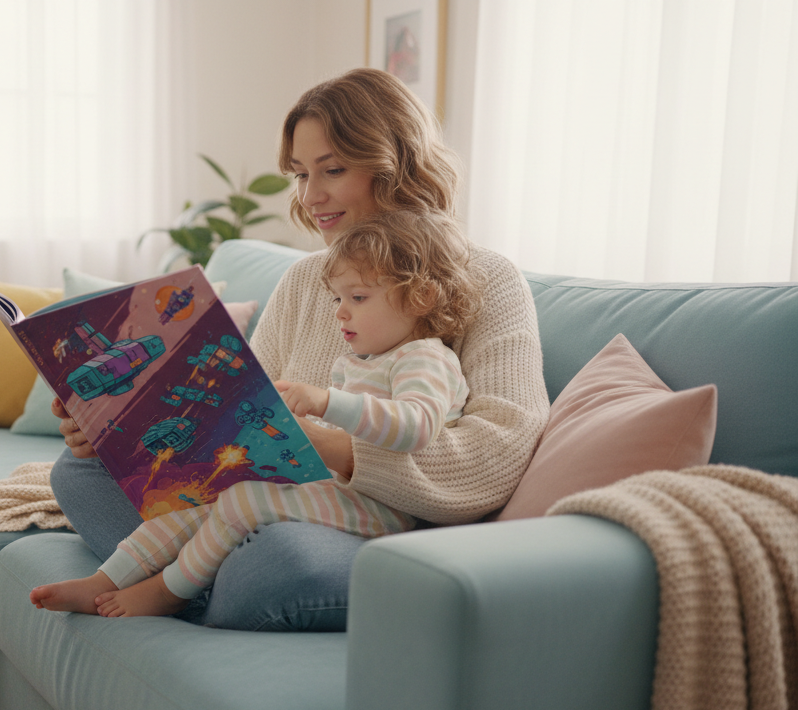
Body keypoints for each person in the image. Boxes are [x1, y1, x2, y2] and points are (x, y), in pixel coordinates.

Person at [46, 67, 550, 632]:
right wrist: (115, 429)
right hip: (268, 504)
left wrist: (339, 449)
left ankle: (182, 586)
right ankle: (201, 590)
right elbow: (237, 413)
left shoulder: (486, 279)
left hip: (384, 524)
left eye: (332, 170)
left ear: (397, 165)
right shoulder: (304, 280)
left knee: (279, 559)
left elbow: (500, 457)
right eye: (300, 174)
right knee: (76, 472)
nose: (311, 197)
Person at [32, 208, 477, 617]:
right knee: (199, 497)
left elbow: (416, 428)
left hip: (384, 511)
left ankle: (167, 593)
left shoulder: (426, 358)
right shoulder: (365, 360)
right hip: (339, 491)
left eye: (357, 297)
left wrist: (326, 403)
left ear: (419, 297)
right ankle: (107, 578)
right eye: (337, 299)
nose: (340, 312)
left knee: (243, 499)